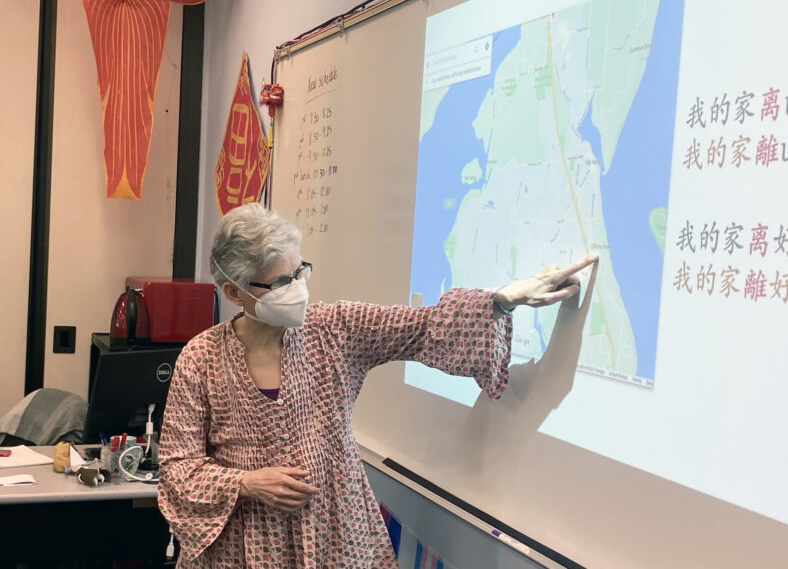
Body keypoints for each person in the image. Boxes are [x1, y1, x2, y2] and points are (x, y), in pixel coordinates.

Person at [158, 202, 596, 568]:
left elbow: (422, 327)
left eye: (300, 272)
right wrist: (246, 483)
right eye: (280, 282)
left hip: (338, 535)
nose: (298, 288)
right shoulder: (202, 358)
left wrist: (502, 298)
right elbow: (177, 468)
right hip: (244, 548)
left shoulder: (335, 328)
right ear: (235, 293)